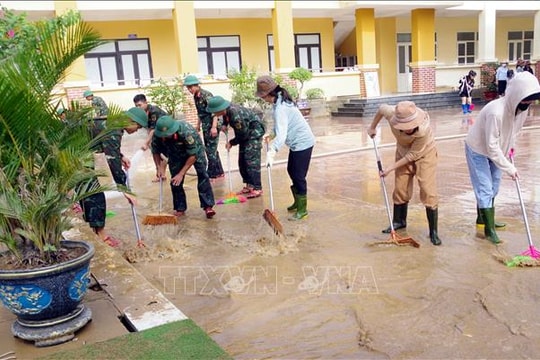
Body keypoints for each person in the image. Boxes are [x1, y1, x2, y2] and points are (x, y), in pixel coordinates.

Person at [464, 71, 540, 244]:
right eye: (526, 99)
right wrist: (510, 168)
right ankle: (489, 231)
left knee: (494, 187)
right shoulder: (495, 112)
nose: (528, 103)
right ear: (516, 94)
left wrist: (510, 147)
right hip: (478, 149)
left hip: (498, 149)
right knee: (485, 188)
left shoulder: (521, 109)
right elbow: (491, 146)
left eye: (531, 99)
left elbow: (513, 130)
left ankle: (483, 218)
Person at [367, 101, 442, 246]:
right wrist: (372, 127)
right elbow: (381, 109)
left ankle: (433, 231)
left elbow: (412, 156)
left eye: (410, 127)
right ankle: (398, 222)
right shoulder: (392, 113)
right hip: (402, 151)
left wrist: (389, 168)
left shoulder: (423, 130)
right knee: (400, 187)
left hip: (424, 154)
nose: (407, 129)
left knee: (427, 188)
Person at [79, 107, 147, 247]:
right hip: (74, 156)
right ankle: (101, 234)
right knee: (95, 195)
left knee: (88, 193)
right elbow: (112, 160)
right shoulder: (114, 128)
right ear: (130, 121)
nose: (137, 130)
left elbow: (109, 148)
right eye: (138, 126)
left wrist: (121, 156)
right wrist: (124, 189)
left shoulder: (114, 123)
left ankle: (95, 230)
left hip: (80, 154)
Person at [255, 75, 315, 221]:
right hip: (297, 143)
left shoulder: (281, 107)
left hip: (303, 142)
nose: (262, 99)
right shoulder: (280, 100)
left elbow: (282, 136)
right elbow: (281, 126)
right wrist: (271, 134)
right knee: (291, 171)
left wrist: (272, 151)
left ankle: (303, 210)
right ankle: (297, 202)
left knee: (298, 176)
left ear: (268, 94)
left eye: (262, 96)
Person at [152, 115, 216, 219]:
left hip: (195, 151)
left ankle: (208, 206)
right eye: (162, 135)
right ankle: (180, 208)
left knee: (203, 175)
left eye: (167, 134)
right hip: (174, 153)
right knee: (175, 180)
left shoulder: (186, 132)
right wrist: (158, 167)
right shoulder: (157, 134)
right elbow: (155, 151)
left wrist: (181, 174)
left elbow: (193, 155)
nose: (164, 137)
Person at [206, 96, 265, 199]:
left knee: (251, 161)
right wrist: (225, 124)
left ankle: (257, 188)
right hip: (245, 134)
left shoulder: (235, 114)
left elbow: (243, 134)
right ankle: (249, 185)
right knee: (242, 161)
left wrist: (231, 142)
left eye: (215, 111)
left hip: (253, 133)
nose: (214, 114)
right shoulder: (226, 110)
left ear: (220, 109)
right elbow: (226, 117)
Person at [183, 75, 225, 179]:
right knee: (211, 149)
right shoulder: (196, 96)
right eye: (188, 88)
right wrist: (198, 125)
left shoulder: (206, 95)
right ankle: (219, 171)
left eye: (191, 87)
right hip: (206, 125)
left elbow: (215, 111)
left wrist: (214, 127)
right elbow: (200, 113)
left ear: (197, 85)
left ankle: (212, 174)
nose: (190, 90)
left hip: (213, 124)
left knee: (210, 150)